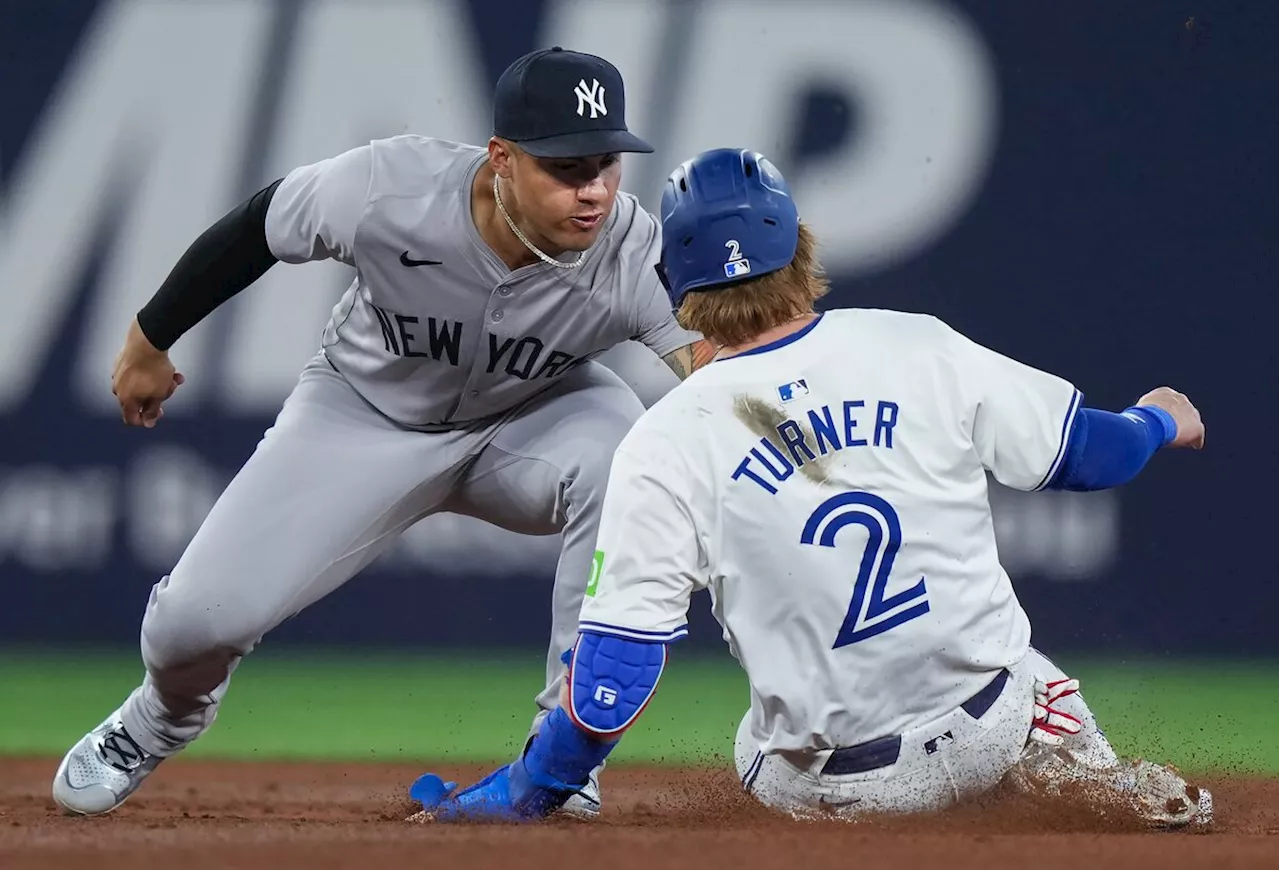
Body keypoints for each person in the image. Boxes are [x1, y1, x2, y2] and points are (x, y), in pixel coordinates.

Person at [406, 147, 1212, 828]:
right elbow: (1090, 456)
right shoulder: (915, 345)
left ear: (674, 282)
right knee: (1023, 669)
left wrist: (523, 795)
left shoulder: (666, 438)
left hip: (841, 787)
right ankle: (1082, 768)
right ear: (801, 245)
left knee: (754, 745)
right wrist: (1155, 421)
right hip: (993, 726)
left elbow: (613, 676)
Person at [51, 46, 715, 819]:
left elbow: (717, 378)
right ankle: (155, 720)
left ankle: (563, 761)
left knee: (626, 454)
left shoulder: (633, 250)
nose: (594, 190)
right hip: (361, 412)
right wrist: (148, 337)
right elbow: (257, 228)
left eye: (606, 164)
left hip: (534, 420)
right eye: (567, 168)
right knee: (191, 626)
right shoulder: (389, 187)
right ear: (501, 160)